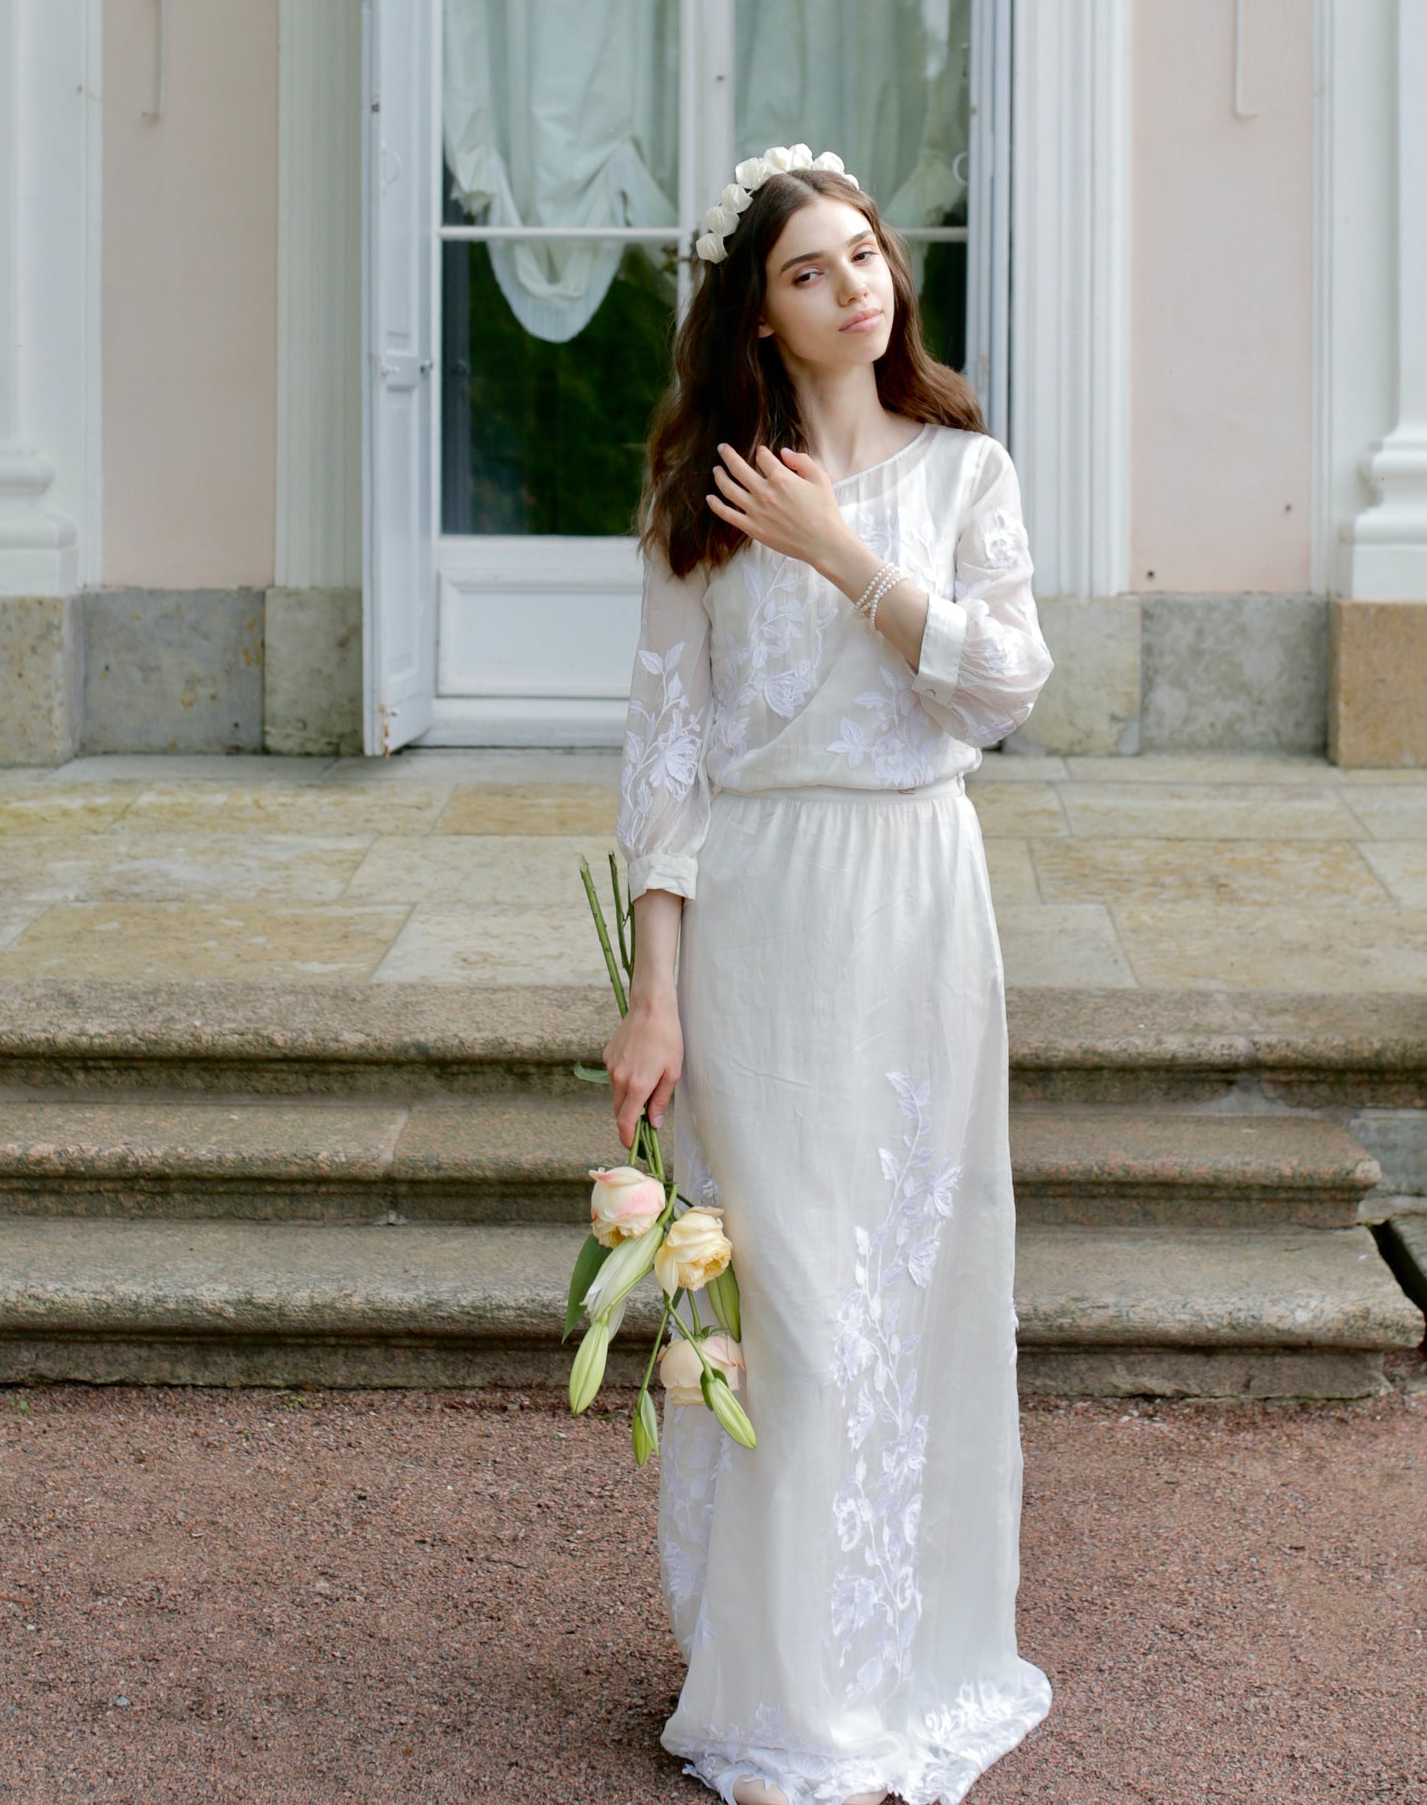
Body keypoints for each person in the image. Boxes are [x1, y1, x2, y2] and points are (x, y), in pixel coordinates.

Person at [605, 144, 1054, 1805]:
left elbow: (1003, 689)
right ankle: (785, 1688)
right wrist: (651, 995)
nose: (852, 284)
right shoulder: (699, 502)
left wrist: (847, 555)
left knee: (908, 1288)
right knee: (783, 1305)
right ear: (762, 317)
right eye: (809, 270)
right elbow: (661, 769)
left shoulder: (964, 474)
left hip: (918, 900)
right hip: (763, 916)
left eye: (862, 254)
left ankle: (909, 1657)